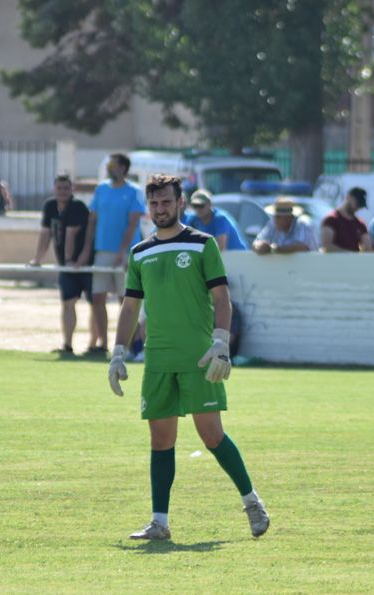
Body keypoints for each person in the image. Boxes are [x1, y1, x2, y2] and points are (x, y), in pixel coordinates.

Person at [108, 174, 269, 541]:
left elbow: (222, 298)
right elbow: (130, 306)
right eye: (154, 204)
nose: (160, 209)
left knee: (212, 435)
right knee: (160, 441)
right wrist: (118, 352)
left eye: (166, 202)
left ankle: (252, 502)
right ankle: (159, 523)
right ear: (148, 207)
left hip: (199, 358)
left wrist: (221, 342)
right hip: (159, 360)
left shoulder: (202, 244)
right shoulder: (140, 252)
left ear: (180, 202)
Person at [78, 153, 145, 355]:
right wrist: (86, 250)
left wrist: (122, 251)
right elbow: (93, 220)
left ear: (123, 168)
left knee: (125, 300)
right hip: (102, 251)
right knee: (97, 297)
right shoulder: (101, 189)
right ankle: (103, 344)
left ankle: (127, 346)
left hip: (124, 254)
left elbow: (133, 223)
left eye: (113, 165)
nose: (109, 169)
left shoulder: (134, 191)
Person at [30, 174, 92, 355]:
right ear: (54, 189)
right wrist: (37, 259)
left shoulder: (77, 207)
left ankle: (96, 344)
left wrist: (72, 260)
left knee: (94, 304)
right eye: (59, 188)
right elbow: (45, 234)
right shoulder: (49, 206)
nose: (63, 192)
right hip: (67, 265)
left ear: (72, 190)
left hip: (85, 263)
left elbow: (72, 236)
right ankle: (67, 344)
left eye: (66, 188)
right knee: (67, 303)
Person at [183, 190, 248, 251]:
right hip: (220, 258)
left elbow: (220, 248)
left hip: (238, 257)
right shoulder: (193, 220)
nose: (198, 209)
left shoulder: (220, 218)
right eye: (195, 205)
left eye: (201, 205)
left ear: (210, 204)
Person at [252, 197, 318, 254]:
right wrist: (260, 246)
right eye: (277, 216)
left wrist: (275, 249)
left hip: (307, 267)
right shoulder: (273, 223)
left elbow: (303, 247)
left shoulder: (303, 223)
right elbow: (257, 242)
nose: (278, 220)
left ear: (290, 217)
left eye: (279, 217)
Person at [321, 187, 371, 252]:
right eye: (357, 203)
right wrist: (350, 255)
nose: (358, 207)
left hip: (354, 261)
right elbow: (327, 246)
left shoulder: (360, 224)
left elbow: (367, 247)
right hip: (336, 261)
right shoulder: (331, 220)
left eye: (361, 205)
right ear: (348, 197)